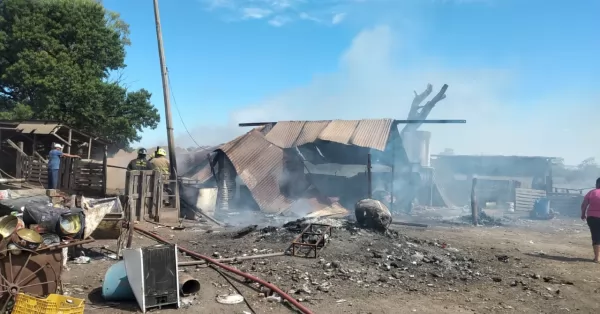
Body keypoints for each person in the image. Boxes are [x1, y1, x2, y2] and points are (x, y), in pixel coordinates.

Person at [581, 177, 600, 263]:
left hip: (592, 217)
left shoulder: (592, 192)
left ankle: (597, 258)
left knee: (595, 235)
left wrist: (583, 214)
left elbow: (584, 205)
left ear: (597, 184)